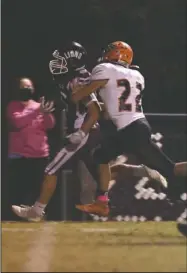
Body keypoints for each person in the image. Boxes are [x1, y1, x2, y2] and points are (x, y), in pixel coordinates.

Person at [11, 42, 167, 221]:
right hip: (90, 130)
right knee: (100, 173)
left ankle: (37, 210)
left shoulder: (80, 79)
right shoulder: (78, 78)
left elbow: (94, 109)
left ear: (72, 62)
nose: (56, 65)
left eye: (61, 61)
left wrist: (81, 133)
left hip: (85, 130)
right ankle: (141, 171)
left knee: (51, 169)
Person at [69, 41, 187, 216]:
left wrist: (75, 90)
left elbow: (79, 96)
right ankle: (103, 201)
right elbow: (113, 106)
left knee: (100, 156)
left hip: (130, 129)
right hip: (138, 126)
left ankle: (102, 203)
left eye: (109, 52)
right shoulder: (137, 75)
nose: (105, 55)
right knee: (169, 169)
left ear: (116, 54)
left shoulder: (105, 69)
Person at [6, 77, 55, 219]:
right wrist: (36, 111)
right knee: (20, 191)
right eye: (23, 87)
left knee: (39, 191)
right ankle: (16, 220)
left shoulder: (38, 106)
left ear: (33, 89)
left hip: (40, 155)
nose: (26, 90)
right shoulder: (13, 106)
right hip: (20, 156)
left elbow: (50, 125)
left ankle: (37, 217)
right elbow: (17, 122)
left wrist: (46, 113)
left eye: (29, 87)